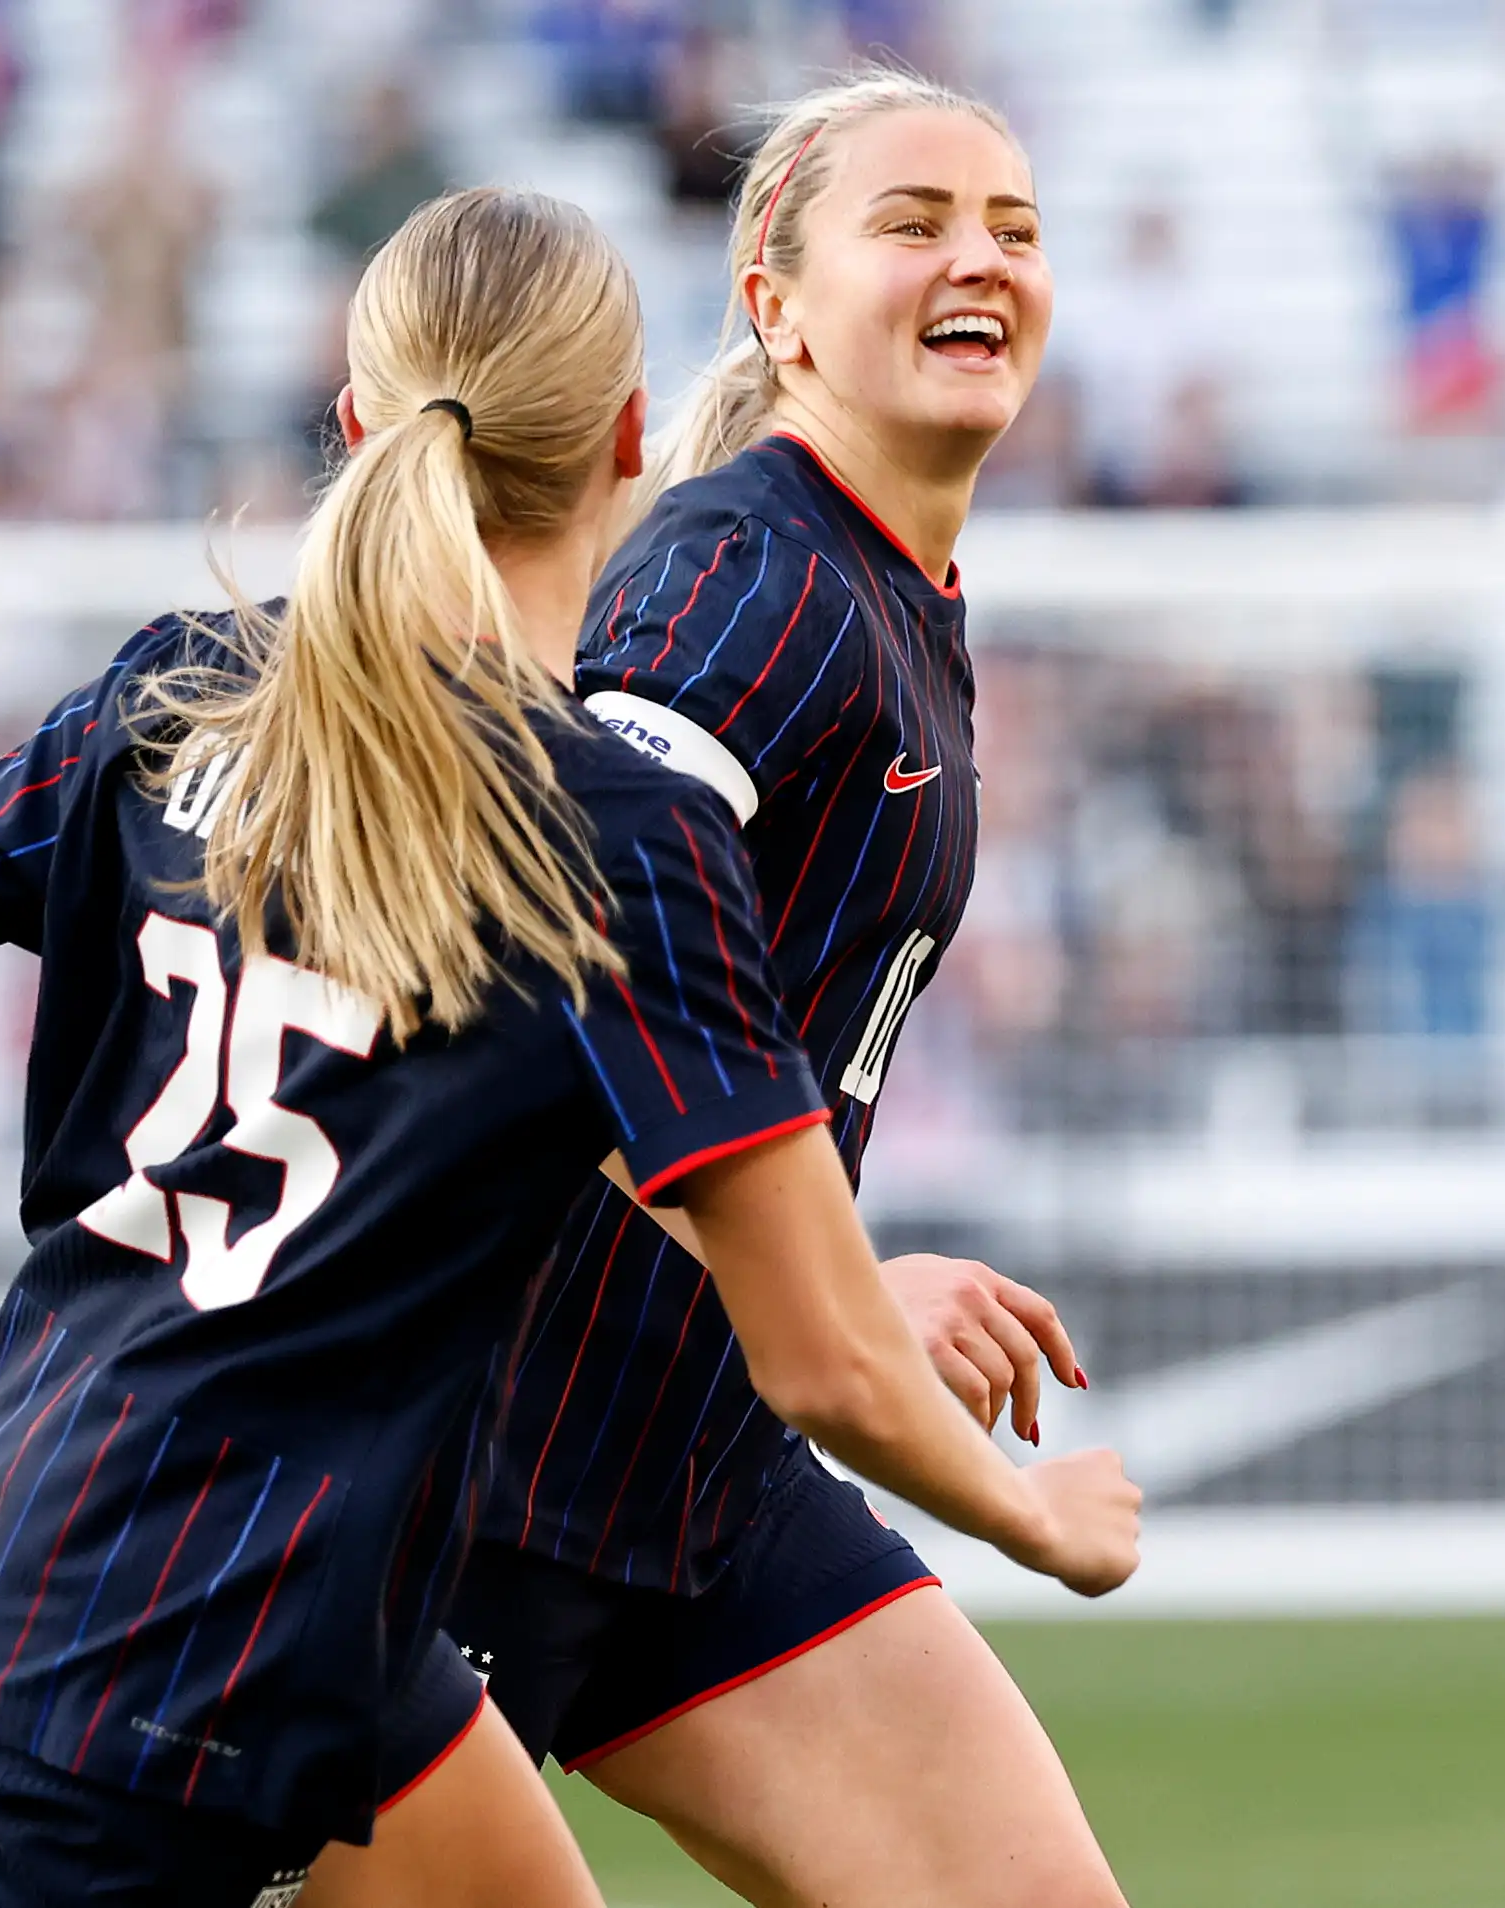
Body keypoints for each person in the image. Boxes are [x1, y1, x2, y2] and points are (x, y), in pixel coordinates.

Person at [0, 187, 1137, 1908]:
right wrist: (1037, 1517)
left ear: (354, 429)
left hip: (145, 1537)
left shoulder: (174, 693)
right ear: (638, 443)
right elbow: (815, 1358)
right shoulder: (613, 839)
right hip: (187, 1649)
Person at [440, 72, 1134, 1908]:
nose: (976, 258)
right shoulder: (748, 582)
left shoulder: (890, 584)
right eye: (911, 223)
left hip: (699, 1481)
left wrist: (816, 1286)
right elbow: (536, 997)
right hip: (462, 1500)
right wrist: (839, 1283)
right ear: (775, 293)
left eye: (1014, 228)